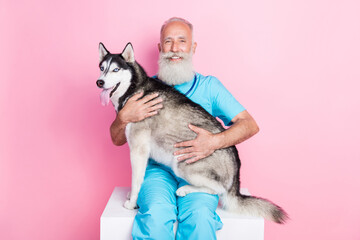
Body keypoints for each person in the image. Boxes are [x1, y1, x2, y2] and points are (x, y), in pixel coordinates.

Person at [109, 17, 259, 240]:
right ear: (160, 48)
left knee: (199, 218)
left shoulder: (210, 86)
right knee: (155, 217)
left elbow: (249, 125)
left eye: (182, 41)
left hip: (197, 169)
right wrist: (123, 117)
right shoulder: (140, 87)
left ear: (193, 47)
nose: (174, 48)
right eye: (168, 42)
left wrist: (214, 142)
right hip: (156, 171)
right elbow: (117, 139)